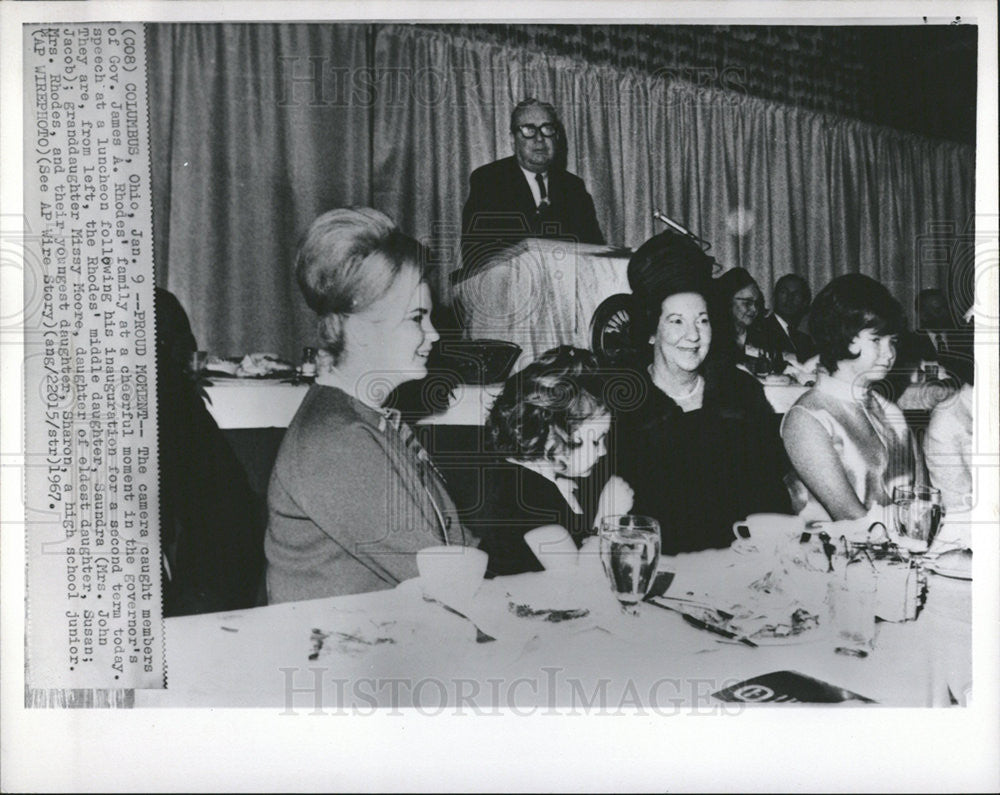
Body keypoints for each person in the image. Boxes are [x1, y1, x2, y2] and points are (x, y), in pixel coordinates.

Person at [265, 208, 468, 604]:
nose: (434, 334)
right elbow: (448, 580)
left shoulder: (369, 419)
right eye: (417, 318)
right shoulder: (336, 441)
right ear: (358, 328)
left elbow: (457, 545)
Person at [614, 232, 791, 554]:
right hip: (656, 571)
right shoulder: (624, 405)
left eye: (703, 320)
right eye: (677, 321)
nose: (693, 336)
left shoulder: (740, 393)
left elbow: (772, 494)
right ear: (652, 332)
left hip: (743, 570)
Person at [467, 346, 632, 577]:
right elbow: (577, 583)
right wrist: (606, 520)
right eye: (595, 441)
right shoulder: (526, 495)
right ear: (551, 437)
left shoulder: (522, 479)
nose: (603, 451)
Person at [781, 274, 927, 522]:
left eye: (893, 340)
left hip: (899, 550)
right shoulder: (807, 418)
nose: (890, 353)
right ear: (840, 334)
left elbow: (923, 499)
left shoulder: (889, 410)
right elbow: (851, 518)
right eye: (876, 340)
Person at [460, 98, 605, 274]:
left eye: (548, 129)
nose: (539, 138)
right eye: (529, 130)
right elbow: (476, 254)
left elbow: (595, 250)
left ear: (557, 137)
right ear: (513, 140)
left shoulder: (573, 187)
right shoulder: (489, 180)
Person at [712, 266, 769, 367]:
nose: (754, 309)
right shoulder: (713, 337)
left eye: (757, 303)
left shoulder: (764, 335)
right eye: (747, 303)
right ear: (727, 301)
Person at [760, 273, 816, 361]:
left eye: (797, 294)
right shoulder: (759, 330)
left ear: (805, 302)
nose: (790, 298)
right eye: (784, 292)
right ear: (774, 297)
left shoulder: (806, 340)